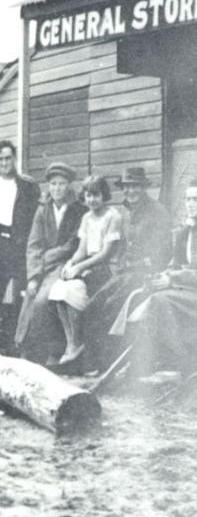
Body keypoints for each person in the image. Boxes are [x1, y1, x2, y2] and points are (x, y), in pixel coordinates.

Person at [110, 178, 197, 378]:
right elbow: (174, 265)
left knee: (160, 300)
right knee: (138, 294)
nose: (190, 204)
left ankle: (179, 359)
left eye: (196, 199)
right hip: (188, 293)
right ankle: (142, 358)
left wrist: (174, 278)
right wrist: (162, 276)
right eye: (187, 199)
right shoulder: (184, 232)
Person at [83, 166, 172, 371]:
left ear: (143, 188)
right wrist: (120, 265)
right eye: (127, 187)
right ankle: (96, 363)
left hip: (145, 274)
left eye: (135, 186)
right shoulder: (125, 212)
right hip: (124, 273)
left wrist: (143, 267)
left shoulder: (158, 212)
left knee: (111, 307)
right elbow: (122, 245)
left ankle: (112, 365)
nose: (130, 191)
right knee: (93, 306)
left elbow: (164, 253)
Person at [16, 162, 86, 364]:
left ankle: (51, 353)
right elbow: (34, 244)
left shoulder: (78, 210)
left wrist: (47, 257)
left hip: (65, 264)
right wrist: (34, 275)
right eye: (53, 184)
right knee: (31, 291)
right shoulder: (43, 209)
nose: (57, 188)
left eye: (62, 184)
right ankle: (26, 350)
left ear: (69, 185)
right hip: (43, 266)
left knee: (43, 300)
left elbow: (73, 244)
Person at [49, 175, 121, 365]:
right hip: (89, 264)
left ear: (104, 195)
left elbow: (106, 254)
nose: (92, 200)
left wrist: (79, 267)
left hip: (107, 268)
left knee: (72, 290)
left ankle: (77, 343)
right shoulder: (86, 217)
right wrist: (70, 264)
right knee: (59, 288)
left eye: (96, 195)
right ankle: (72, 342)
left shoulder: (113, 216)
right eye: (88, 196)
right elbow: (82, 250)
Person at [0, 140, 40, 353]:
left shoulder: (27, 185)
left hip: (19, 244)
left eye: (8, 158)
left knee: (18, 294)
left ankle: (16, 345)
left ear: (15, 158)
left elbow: (36, 217)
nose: (4, 163)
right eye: (1, 159)